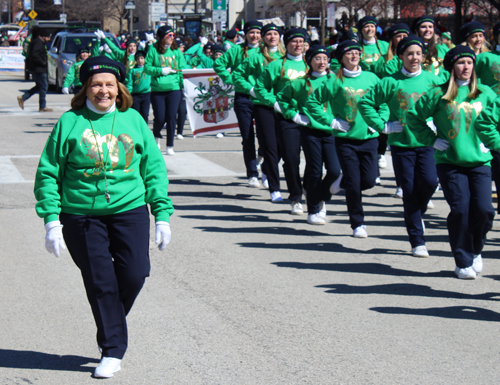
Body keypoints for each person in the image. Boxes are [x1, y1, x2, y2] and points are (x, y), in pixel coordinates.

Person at [33, 56, 174, 378]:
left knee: (135, 274)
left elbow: (153, 169)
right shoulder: (70, 122)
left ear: (119, 88)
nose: (103, 90)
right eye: (96, 84)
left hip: (129, 209)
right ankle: (112, 349)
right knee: (101, 282)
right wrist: (51, 220)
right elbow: (47, 173)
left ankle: (110, 325)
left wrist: (162, 214)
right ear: (85, 88)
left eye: (109, 84)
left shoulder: (134, 119)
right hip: (80, 214)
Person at [407, 46, 495, 279]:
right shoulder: (439, 94)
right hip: (450, 162)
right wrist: (432, 140)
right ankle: (463, 260)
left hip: (480, 162)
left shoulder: (486, 93)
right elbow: (413, 117)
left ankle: (475, 249)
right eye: (460, 63)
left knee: (485, 211)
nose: (465, 67)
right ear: (452, 67)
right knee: (460, 210)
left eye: (469, 62)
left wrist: (492, 141)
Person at [359, 36, 440, 257]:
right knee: (410, 190)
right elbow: (365, 102)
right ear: (401, 56)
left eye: (418, 53)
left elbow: (447, 104)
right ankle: (417, 241)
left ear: (423, 57)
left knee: (431, 182)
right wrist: (383, 126)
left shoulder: (434, 80)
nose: (414, 57)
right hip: (402, 144)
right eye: (409, 54)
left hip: (428, 142)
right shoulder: (390, 81)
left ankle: (417, 213)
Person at [306, 40, 388, 234]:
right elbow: (313, 102)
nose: (354, 56)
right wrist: (331, 122)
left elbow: (384, 104)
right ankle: (358, 223)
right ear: (341, 58)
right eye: (349, 53)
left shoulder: (372, 78)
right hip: (346, 140)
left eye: (357, 53)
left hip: (369, 138)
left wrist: (378, 122)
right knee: (354, 184)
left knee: (368, 180)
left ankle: (341, 182)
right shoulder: (335, 81)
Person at [278, 45, 340, 225]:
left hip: (332, 131)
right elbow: (282, 98)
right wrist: (295, 116)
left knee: (335, 171)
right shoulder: (300, 83)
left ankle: (320, 195)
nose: (321, 62)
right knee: (314, 169)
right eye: (317, 58)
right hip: (310, 131)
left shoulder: (336, 81)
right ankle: (313, 210)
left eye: (324, 58)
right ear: (309, 61)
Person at [254, 28, 308, 212]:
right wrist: (274, 102)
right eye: (294, 41)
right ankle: (295, 197)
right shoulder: (276, 65)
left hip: (312, 119)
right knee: (291, 158)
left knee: (317, 160)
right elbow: (260, 87)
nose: (298, 45)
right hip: (287, 117)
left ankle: (311, 189)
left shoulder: (313, 64)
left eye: (301, 41)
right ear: (287, 44)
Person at [233, 23, 285, 196]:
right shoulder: (255, 56)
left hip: (275, 105)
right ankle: (253, 174)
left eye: (275, 34)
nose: (272, 37)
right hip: (252, 101)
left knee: (273, 142)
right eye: (267, 34)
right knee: (248, 136)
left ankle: (266, 166)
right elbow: (237, 74)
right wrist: (250, 89)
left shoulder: (285, 57)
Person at [214, 20, 263, 188]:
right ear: (245, 34)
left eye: (258, 32)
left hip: (264, 99)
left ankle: (263, 162)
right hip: (244, 98)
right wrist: (231, 80)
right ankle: (252, 174)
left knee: (267, 136)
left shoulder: (267, 51)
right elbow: (219, 64)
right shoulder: (236, 50)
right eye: (251, 32)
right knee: (248, 136)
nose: (255, 36)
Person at [145, 25, 187, 154]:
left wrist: (183, 86)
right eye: (169, 35)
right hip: (158, 90)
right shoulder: (153, 50)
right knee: (160, 118)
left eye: (173, 35)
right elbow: (147, 68)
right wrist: (161, 71)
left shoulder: (176, 51)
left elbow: (182, 69)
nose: (172, 38)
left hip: (174, 89)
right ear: (161, 37)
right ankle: (156, 137)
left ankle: (170, 145)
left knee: (171, 117)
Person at [17, 27, 52, 112]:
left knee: (39, 86)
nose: (49, 39)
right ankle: (42, 106)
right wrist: (43, 63)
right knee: (43, 86)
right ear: (44, 36)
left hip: (36, 68)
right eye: (48, 37)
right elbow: (34, 55)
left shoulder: (37, 42)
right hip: (38, 69)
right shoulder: (38, 43)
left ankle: (23, 98)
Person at [126, 50, 151, 123]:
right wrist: (128, 93)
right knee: (136, 113)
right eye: (138, 59)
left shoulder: (148, 69)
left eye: (142, 58)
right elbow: (130, 83)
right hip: (136, 95)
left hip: (146, 94)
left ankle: (144, 129)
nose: (140, 60)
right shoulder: (133, 70)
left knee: (145, 114)